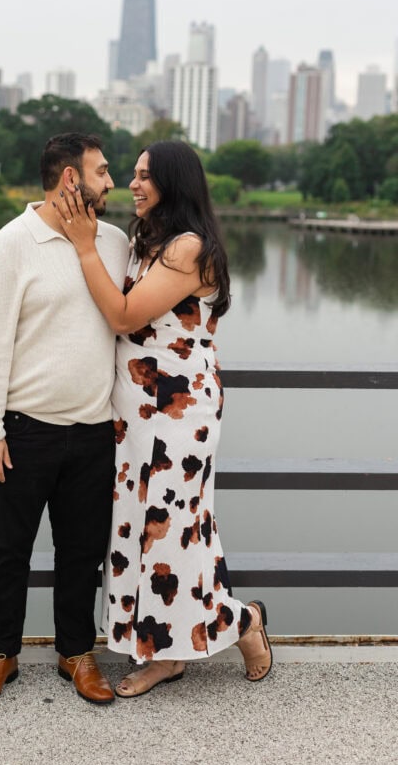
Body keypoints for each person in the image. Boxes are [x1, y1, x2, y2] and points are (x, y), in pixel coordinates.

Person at [54, 139, 273, 697]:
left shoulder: (189, 248)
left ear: (174, 183)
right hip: (134, 414)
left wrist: (83, 249)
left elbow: (126, 314)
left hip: (178, 415)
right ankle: (195, 635)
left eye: (145, 175)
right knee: (133, 524)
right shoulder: (145, 242)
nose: (133, 183)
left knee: (171, 530)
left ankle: (199, 638)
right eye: (131, 173)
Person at [0, 132, 129, 707]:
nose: (112, 182)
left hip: (93, 431)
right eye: (102, 172)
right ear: (69, 179)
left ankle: (76, 653)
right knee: (9, 548)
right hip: (23, 431)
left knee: (82, 552)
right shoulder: (11, 245)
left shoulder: (114, 243)